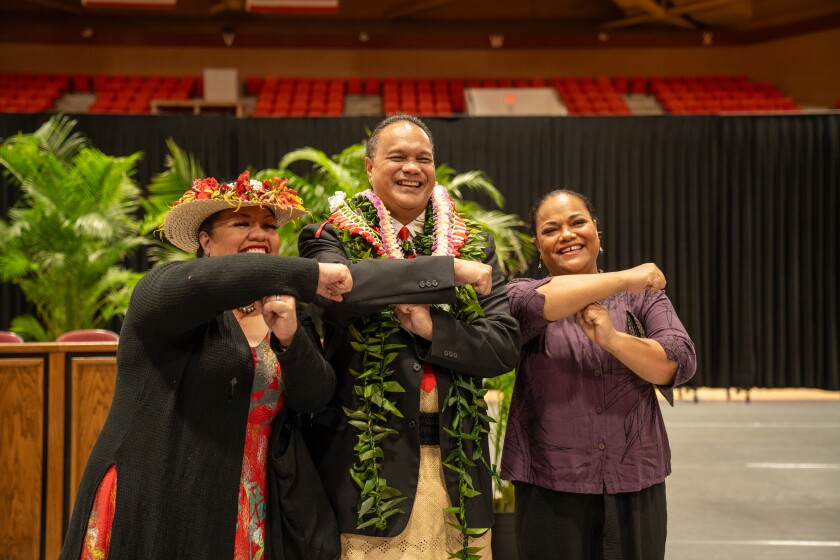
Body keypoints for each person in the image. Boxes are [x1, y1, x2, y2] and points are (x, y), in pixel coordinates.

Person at [60, 171, 351, 560]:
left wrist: (290, 337)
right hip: (164, 485)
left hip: (253, 496)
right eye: (241, 223)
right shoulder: (169, 292)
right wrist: (310, 274)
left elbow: (315, 395)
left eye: (268, 225)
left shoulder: (286, 310)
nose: (259, 233)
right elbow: (207, 283)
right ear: (205, 242)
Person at [298, 115, 521, 559]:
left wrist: (432, 328)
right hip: (369, 473)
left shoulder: (474, 242)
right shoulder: (330, 236)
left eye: (423, 158)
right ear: (368, 167)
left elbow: (501, 347)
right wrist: (449, 272)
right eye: (396, 157)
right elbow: (345, 289)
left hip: (456, 468)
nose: (411, 168)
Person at [502, 189, 697, 560]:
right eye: (551, 229)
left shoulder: (644, 299)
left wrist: (613, 339)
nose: (567, 234)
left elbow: (678, 362)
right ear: (538, 247)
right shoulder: (520, 296)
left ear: (597, 232)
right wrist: (626, 278)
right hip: (550, 487)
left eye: (578, 222)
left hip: (636, 481)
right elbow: (542, 302)